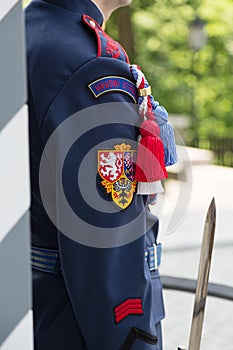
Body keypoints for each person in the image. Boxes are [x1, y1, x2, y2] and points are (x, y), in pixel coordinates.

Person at [25, 0, 174, 348]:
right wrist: (135, 340)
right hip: (71, 326)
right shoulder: (88, 65)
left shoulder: (27, 32)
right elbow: (104, 239)